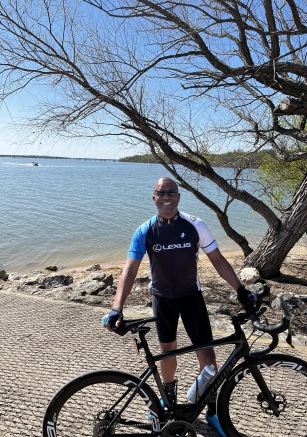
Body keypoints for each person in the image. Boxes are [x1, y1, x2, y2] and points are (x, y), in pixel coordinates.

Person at [105, 177, 253, 437]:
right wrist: (117, 307)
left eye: (172, 192)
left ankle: (211, 411)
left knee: (208, 360)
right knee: (167, 353)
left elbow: (217, 260)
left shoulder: (195, 225)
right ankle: (168, 399)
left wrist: (240, 289)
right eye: (161, 193)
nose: (167, 197)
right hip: (162, 300)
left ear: (178, 196)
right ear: (153, 198)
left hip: (191, 298)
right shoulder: (145, 230)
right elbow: (129, 270)